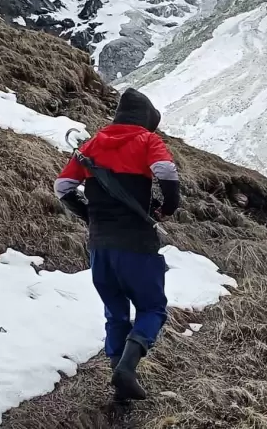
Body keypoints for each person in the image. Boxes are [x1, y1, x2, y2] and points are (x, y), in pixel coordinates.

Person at [54, 88, 180, 400]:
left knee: (116, 313)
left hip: (99, 247)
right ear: (146, 119)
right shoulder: (147, 140)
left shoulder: (91, 145)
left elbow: (62, 186)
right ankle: (127, 368)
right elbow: (165, 170)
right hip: (136, 243)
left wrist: (89, 216)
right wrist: (168, 207)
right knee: (152, 308)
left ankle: (119, 385)